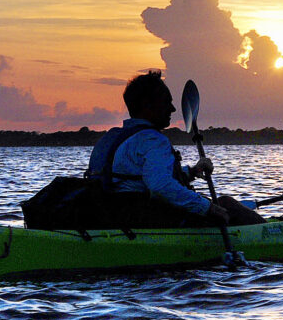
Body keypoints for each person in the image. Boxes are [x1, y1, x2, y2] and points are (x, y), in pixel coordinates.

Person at [87, 71, 264, 227]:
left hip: (112, 216)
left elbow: (139, 178)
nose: (172, 108)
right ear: (147, 105)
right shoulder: (153, 140)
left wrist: (191, 172)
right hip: (144, 220)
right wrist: (207, 208)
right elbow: (159, 186)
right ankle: (274, 233)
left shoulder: (109, 138)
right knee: (225, 203)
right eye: (166, 102)